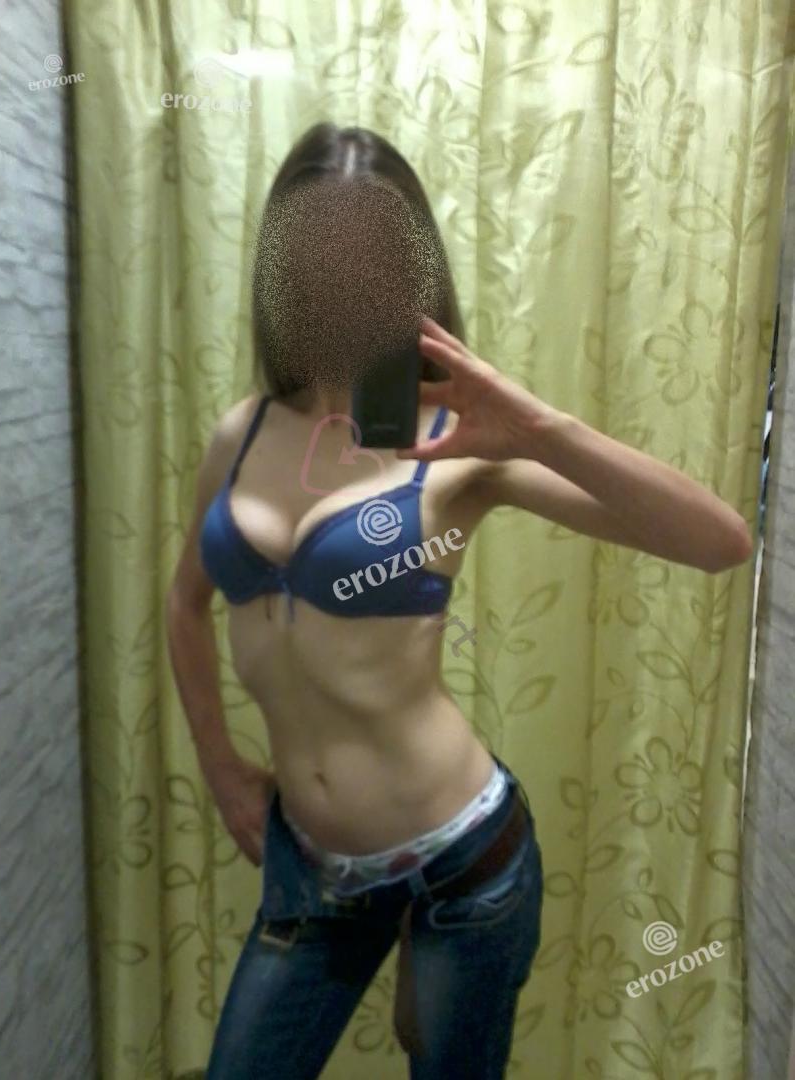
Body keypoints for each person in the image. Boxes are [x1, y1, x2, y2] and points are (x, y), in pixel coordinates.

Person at [165, 124, 754, 1080]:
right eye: (317, 248)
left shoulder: (457, 441)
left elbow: (718, 542)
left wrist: (537, 428)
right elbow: (184, 605)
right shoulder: (240, 435)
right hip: (310, 872)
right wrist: (222, 767)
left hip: (462, 867)